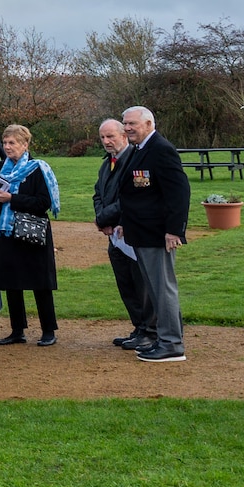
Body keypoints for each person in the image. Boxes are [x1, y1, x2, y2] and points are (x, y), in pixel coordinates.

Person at [117, 106, 190, 363]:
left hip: (157, 234)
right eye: (125, 123)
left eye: (132, 124)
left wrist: (174, 231)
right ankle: (164, 338)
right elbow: (137, 194)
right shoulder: (141, 149)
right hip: (141, 233)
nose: (126, 128)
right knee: (155, 288)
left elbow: (179, 193)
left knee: (163, 289)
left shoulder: (161, 149)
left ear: (148, 124)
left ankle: (172, 344)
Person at [0, 123, 60, 348]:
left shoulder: (38, 168)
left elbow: (43, 203)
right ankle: (17, 330)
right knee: (12, 283)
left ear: (25, 144)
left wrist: (11, 199)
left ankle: (49, 330)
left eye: (12, 143)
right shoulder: (1, 168)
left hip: (32, 233)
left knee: (40, 283)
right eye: (5, 143)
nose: (8, 147)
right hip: (7, 232)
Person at [92, 118, 152, 350]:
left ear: (124, 136)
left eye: (111, 136)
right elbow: (98, 194)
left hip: (131, 232)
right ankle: (138, 328)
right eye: (103, 138)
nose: (106, 141)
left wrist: (106, 218)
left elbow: (134, 197)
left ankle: (149, 331)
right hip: (113, 236)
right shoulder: (107, 163)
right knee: (125, 284)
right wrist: (102, 219)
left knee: (142, 285)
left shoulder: (135, 160)